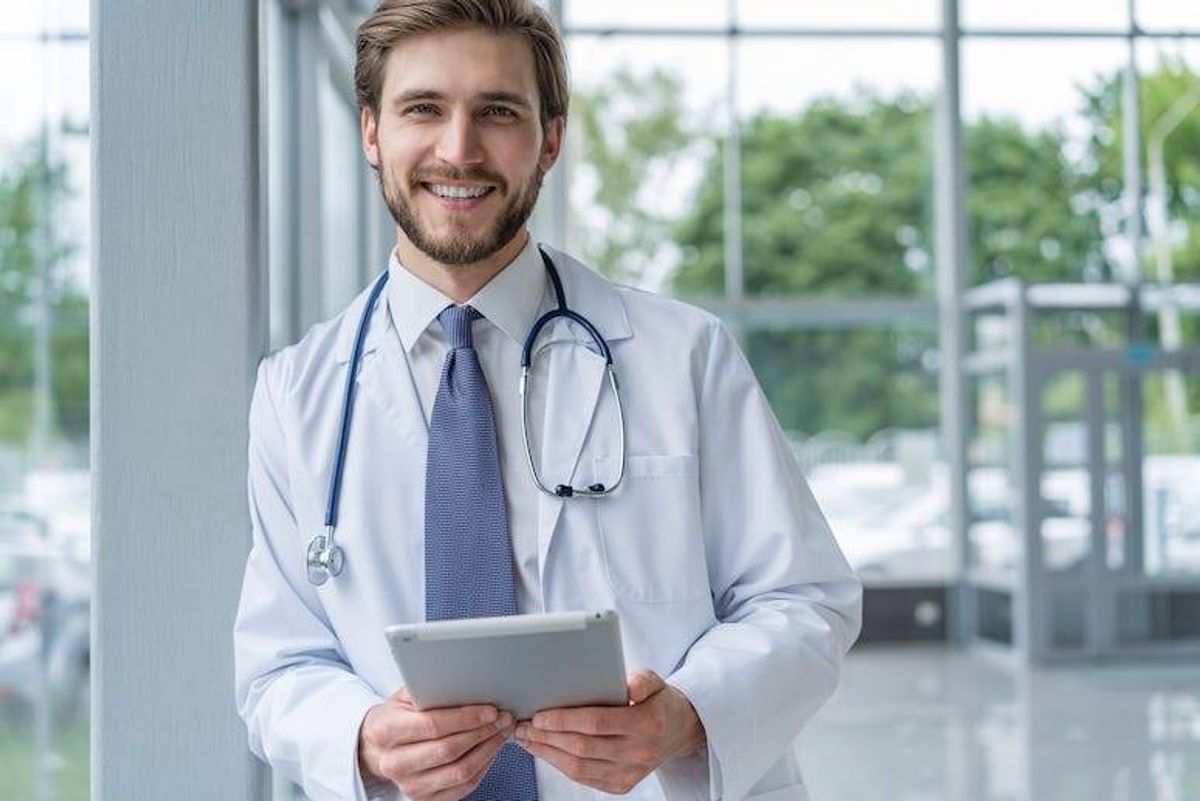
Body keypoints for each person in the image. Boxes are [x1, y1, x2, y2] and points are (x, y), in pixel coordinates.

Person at [233, 1, 862, 799]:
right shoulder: (296, 392)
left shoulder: (683, 356)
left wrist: (688, 713)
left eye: (497, 111)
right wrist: (361, 734)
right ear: (370, 132)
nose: (458, 150)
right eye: (422, 108)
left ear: (551, 139)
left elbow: (804, 599)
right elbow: (277, 664)